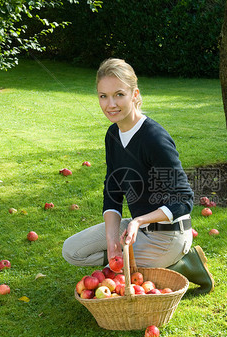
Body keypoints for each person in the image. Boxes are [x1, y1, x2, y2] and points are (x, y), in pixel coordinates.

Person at [62, 58, 214, 294]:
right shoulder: (113, 134)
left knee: (113, 277)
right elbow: (112, 191)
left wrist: (139, 220)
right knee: (72, 251)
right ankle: (129, 261)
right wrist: (113, 241)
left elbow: (184, 200)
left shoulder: (154, 138)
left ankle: (184, 263)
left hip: (168, 234)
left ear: (135, 94)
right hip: (136, 231)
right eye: (103, 96)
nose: (110, 104)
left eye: (119, 94)